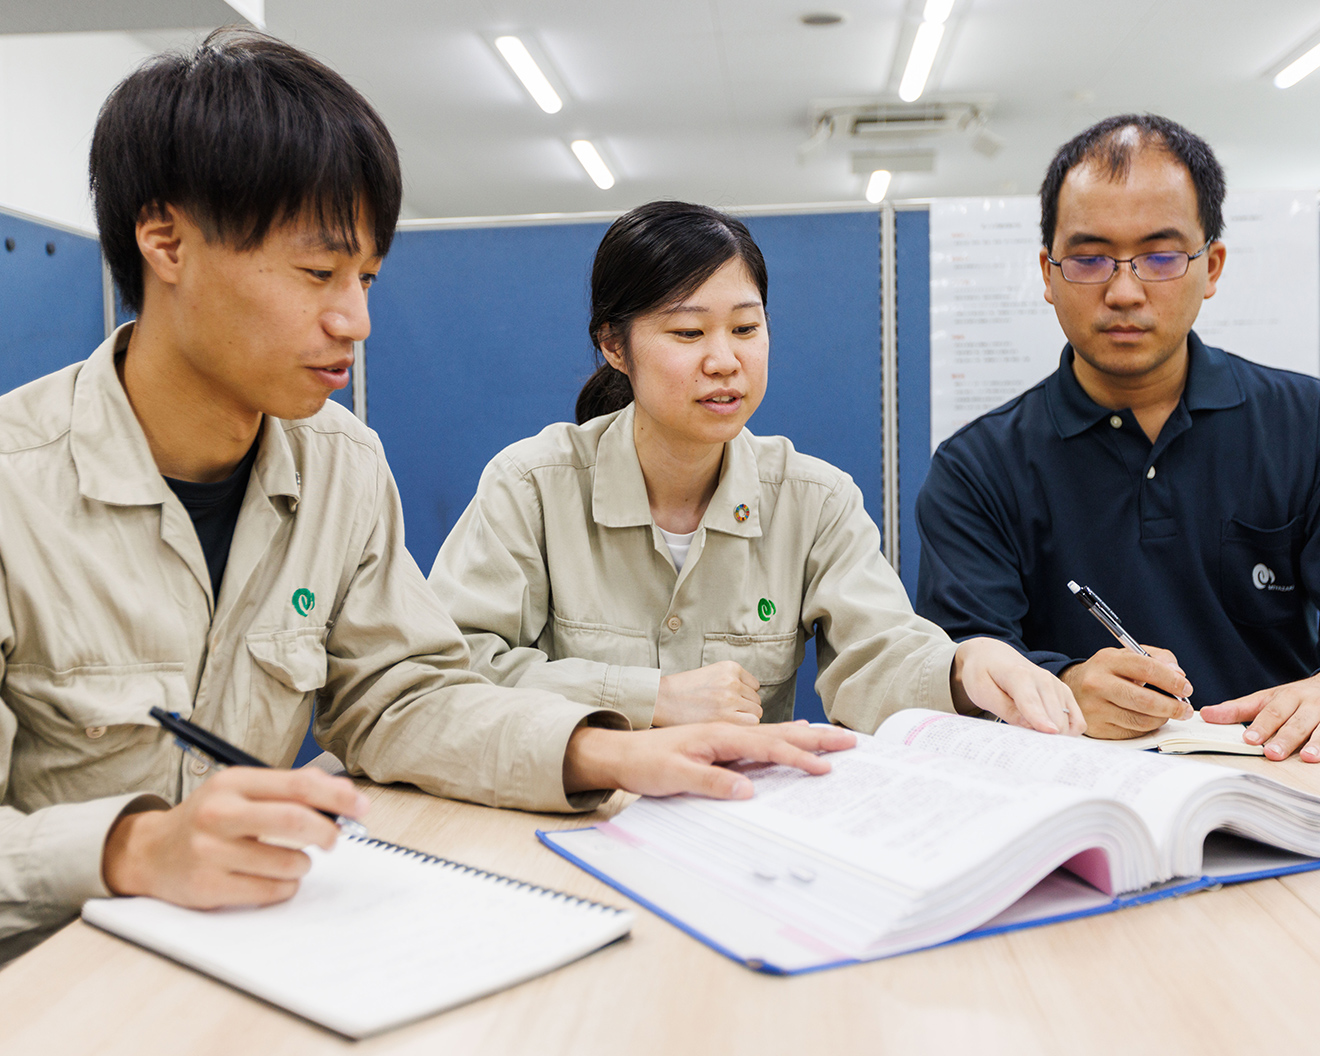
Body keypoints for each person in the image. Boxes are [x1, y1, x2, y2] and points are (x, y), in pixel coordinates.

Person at [0, 32, 856, 965]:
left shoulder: (340, 465)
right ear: (165, 240)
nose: (354, 321)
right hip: (49, 971)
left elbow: (400, 696)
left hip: (246, 951)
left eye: (365, 278)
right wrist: (130, 847)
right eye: (317, 273)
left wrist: (606, 752)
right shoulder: (18, 484)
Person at [428, 201, 1081, 736]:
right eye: (688, 334)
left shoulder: (814, 502)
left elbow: (877, 657)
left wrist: (964, 667)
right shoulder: (533, 487)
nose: (724, 360)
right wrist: (650, 698)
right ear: (613, 345)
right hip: (576, 815)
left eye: (745, 329)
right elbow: (456, 669)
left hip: (739, 827)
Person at [915, 113, 1320, 760]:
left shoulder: (1306, 424)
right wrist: (1065, 683)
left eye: (1161, 256)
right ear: (1047, 274)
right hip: (1074, 796)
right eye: (1089, 258)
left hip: (1278, 784)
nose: (1124, 290)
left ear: (1210, 267)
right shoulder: (976, 468)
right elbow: (963, 665)